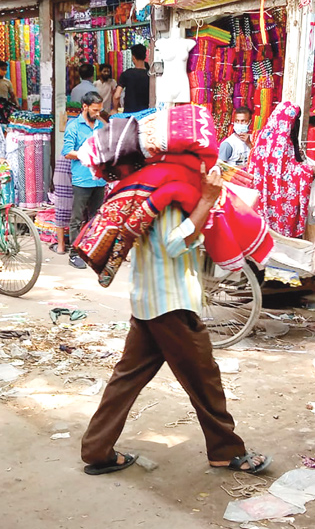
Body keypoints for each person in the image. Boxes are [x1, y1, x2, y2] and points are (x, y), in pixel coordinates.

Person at [80, 168, 271, 476]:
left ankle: (96, 450)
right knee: (205, 381)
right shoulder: (168, 193)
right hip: (171, 305)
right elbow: (173, 243)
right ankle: (227, 451)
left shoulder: (145, 188)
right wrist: (207, 200)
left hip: (148, 301)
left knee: (126, 379)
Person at [246, 101, 315, 240]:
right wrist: (309, 171)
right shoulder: (283, 142)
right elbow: (289, 174)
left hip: (260, 198)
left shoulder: (262, 137)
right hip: (278, 201)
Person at [62, 91, 106, 270]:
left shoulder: (101, 126)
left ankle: (91, 251)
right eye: (95, 110)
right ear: (85, 107)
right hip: (82, 179)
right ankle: (74, 254)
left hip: (99, 180)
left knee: (96, 217)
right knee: (77, 218)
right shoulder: (73, 126)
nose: (97, 114)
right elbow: (67, 152)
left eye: (100, 110)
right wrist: (85, 154)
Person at [114, 44, 150, 113]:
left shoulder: (126, 74)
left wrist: (115, 109)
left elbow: (117, 95)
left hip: (129, 114)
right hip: (146, 114)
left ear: (133, 57)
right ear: (145, 57)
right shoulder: (150, 75)